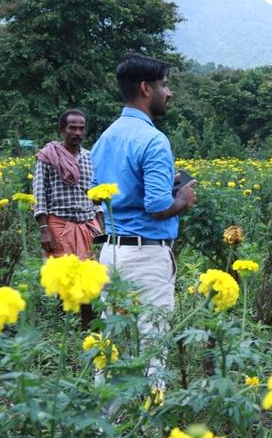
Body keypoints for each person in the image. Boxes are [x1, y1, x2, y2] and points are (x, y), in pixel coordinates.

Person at [90, 53, 196, 391]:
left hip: (110, 253)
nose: (170, 93)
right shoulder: (153, 140)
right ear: (146, 89)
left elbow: (98, 196)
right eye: (165, 85)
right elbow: (156, 206)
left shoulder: (105, 138)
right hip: (147, 257)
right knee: (154, 346)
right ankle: (151, 425)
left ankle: (103, 423)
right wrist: (182, 199)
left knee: (112, 344)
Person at [33, 109, 104, 260]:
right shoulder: (47, 156)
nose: (77, 132)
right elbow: (39, 196)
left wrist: (101, 226)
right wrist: (44, 230)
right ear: (62, 130)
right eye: (72, 128)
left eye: (81, 128)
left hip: (88, 227)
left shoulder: (90, 158)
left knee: (90, 278)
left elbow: (96, 197)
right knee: (61, 279)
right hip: (59, 227)